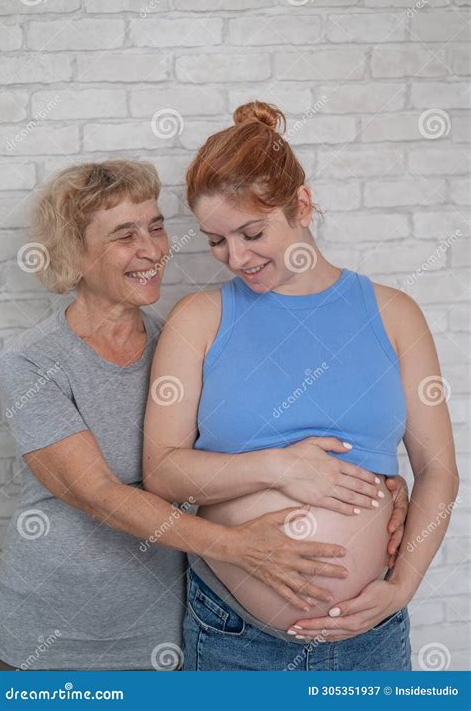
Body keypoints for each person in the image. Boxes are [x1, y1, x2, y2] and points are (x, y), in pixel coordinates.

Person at [0, 160, 377, 671]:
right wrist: (238, 547)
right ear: (74, 253)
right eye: (124, 235)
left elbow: (247, 443)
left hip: (168, 633)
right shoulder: (32, 360)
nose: (153, 250)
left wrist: (372, 486)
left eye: (156, 227)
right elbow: (99, 496)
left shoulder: (181, 343)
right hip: (53, 638)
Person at [143, 102, 459, 671]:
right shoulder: (199, 317)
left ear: (303, 206)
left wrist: (403, 586)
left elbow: (438, 471)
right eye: (216, 240)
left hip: (371, 638)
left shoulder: (393, 313)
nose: (235, 257)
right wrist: (280, 466)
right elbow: (162, 471)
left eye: (252, 232)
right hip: (233, 637)